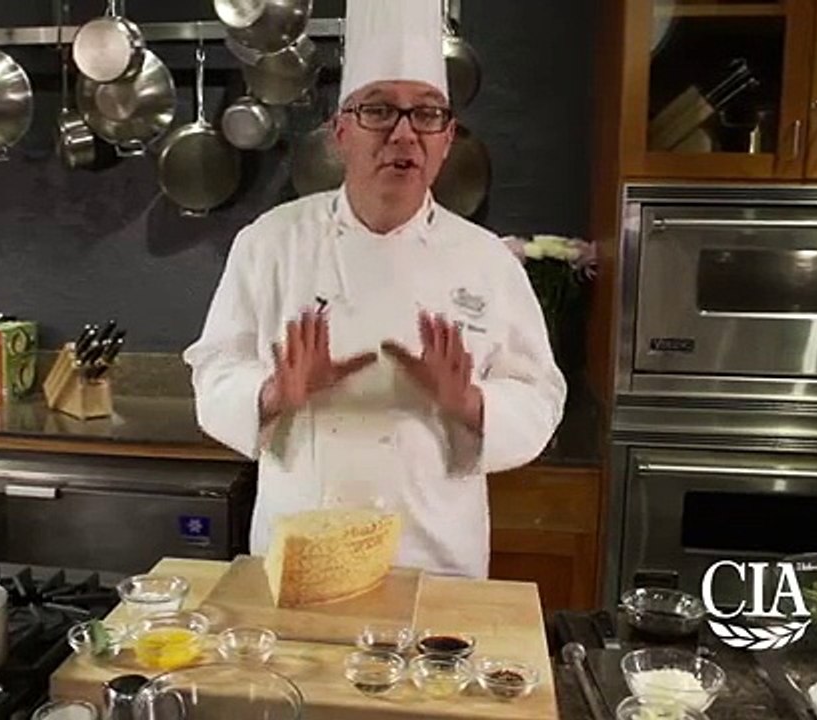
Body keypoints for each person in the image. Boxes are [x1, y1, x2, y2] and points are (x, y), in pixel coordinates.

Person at [183, 0, 566, 579]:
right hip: (299, 556)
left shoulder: (488, 260)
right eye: (379, 110)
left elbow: (540, 395)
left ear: (446, 140)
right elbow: (214, 368)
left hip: (436, 561)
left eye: (427, 114)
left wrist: (472, 403)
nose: (403, 134)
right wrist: (272, 394)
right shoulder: (270, 243)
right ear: (341, 133)